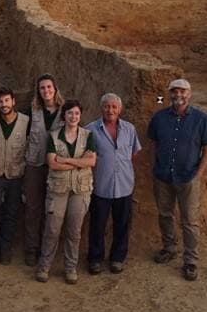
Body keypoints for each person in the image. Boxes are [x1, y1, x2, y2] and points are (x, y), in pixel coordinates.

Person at [148, 79, 207, 281]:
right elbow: (153, 145)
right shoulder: (159, 118)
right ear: (169, 94)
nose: (178, 95)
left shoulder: (201, 119)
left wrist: (199, 174)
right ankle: (169, 248)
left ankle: (191, 261)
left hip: (188, 178)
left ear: (190, 94)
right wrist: (154, 167)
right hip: (163, 176)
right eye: (175, 91)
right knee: (165, 214)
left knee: (189, 220)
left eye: (183, 91)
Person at [36, 99, 96, 284]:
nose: (73, 116)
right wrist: (78, 162)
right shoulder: (54, 136)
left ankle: (70, 268)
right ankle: (44, 266)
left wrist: (66, 160)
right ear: (64, 115)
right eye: (70, 113)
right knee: (52, 229)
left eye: (77, 113)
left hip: (80, 189)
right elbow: (52, 163)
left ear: (80, 115)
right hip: (58, 189)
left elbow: (91, 162)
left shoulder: (88, 135)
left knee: (74, 231)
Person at [85, 93, 141, 275]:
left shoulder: (129, 129)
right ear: (101, 108)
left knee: (122, 224)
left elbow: (133, 153)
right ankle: (95, 259)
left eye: (114, 107)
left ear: (120, 109)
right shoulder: (90, 130)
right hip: (101, 185)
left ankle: (117, 258)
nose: (110, 110)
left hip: (124, 185)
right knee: (97, 225)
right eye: (107, 107)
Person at [23, 73, 64, 266]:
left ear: (55, 89)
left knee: (52, 210)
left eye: (49, 87)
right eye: (42, 88)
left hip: (57, 167)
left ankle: (47, 250)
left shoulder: (65, 111)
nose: (46, 91)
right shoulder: (31, 111)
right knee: (33, 208)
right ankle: (32, 248)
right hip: (34, 165)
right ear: (38, 91)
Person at [0, 87, 29, 265]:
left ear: (13, 101)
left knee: (11, 214)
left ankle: (6, 248)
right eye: (0, 101)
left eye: (6, 100)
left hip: (16, 175)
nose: (4, 104)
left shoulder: (26, 122)